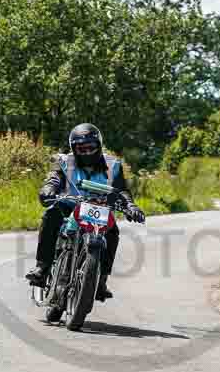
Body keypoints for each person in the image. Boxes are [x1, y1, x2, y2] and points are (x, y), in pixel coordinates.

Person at [25, 123, 146, 301]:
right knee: (50, 216)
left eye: (91, 148)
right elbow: (53, 179)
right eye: (81, 148)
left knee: (113, 232)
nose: (87, 152)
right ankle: (42, 268)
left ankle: (101, 281)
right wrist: (48, 190)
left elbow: (122, 190)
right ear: (74, 148)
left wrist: (131, 206)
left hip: (99, 208)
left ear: (99, 146)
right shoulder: (63, 161)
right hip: (68, 206)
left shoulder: (113, 165)